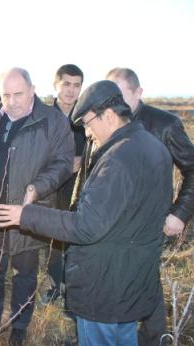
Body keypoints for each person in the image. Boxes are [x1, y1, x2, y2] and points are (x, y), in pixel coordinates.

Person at [0, 80, 173, 346]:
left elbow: (85, 226)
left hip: (105, 286)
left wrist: (26, 215)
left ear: (109, 116)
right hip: (131, 280)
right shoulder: (151, 146)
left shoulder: (118, 161)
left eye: (88, 124)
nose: (87, 133)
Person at [0, 67, 74, 345]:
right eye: (5, 95)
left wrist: (37, 188)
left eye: (18, 94)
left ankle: (19, 326)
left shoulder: (52, 121)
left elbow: (63, 162)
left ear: (32, 90)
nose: (11, 101)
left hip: (25, 214)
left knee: (24, 273)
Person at [106, 67, 194, 346]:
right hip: (109, 222)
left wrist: (179, 213)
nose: (114, 103)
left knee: (146, 284)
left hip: (149, 224)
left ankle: (153, 339)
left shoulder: (164, 124)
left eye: (121, 95)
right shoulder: (107, 123)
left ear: (139, 93)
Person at [43, 64, 85, 305]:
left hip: (81, 187)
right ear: (56, 85)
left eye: (76, 85)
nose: (71, 90)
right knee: (54, 237)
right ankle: (55, 285)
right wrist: (63, 165)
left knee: (78, 237)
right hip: (52, 187)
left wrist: (85, 161)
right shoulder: (44, 117)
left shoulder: (87, 116)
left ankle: (75, 289)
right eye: (66, 84)